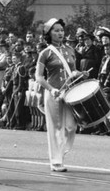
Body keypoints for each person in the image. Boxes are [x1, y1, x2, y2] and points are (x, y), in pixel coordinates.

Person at [35, 17, 88, 173]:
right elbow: (39, 77)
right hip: (54, 93)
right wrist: (51, 89)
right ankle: (56, 161)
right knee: (56, 127)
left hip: (70, 92)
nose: (60, 33)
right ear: (49, 34)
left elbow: (72, 71)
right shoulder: (45, 53)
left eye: (61, 30)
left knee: (71, 126)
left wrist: (80, 74)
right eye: (56, 30)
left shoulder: (70, 50)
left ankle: (60, 152)